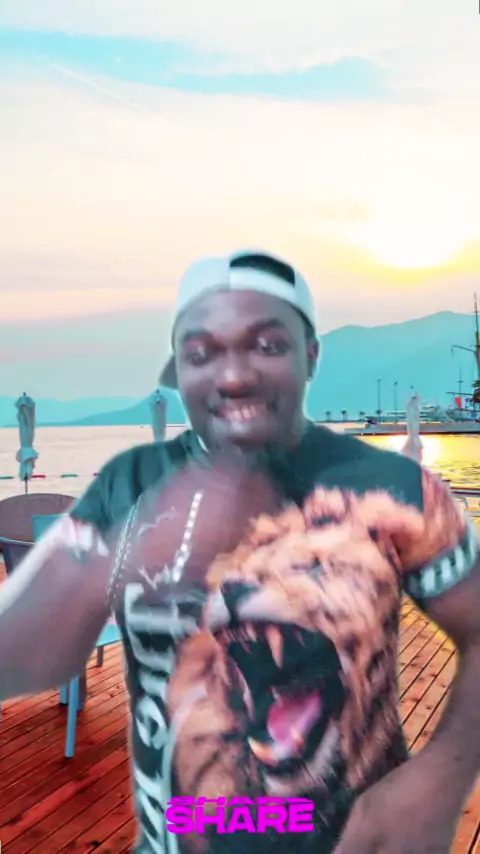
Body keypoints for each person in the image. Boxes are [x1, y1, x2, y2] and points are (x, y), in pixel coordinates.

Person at [1, 249, 480, 854]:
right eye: (201, 353)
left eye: (266, 345)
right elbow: (22, 652)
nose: (232, 377)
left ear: (311, 355)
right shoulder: (130, 484)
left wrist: (441, 775)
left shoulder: (392, 488)